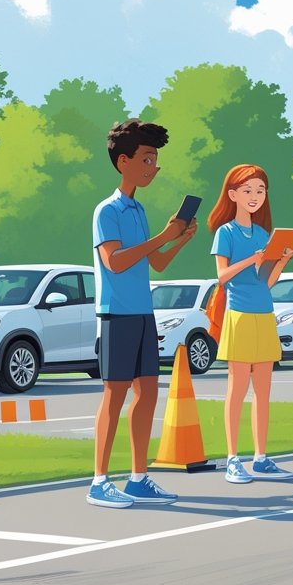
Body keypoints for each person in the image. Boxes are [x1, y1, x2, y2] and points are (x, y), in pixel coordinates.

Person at [89, 119, 197, 509]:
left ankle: (137, 478)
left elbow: (159, 263)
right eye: (147, 159)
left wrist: (179, 239)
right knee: (114, 394)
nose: (154, 167)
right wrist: (163, 237)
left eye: (155, 160)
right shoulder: (108, 211)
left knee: (148, 392)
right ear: (124, 162)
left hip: (143, 313)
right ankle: (99, 481)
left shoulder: (138, 210)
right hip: (116, 313)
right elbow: (114, 262)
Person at [209, 164, 293, 484]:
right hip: (239, 315)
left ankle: (261, 457)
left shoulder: (262, 234)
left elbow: (267, 282)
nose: (255, 196)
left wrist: (281, 260)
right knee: (237, 389)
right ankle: (233, 458)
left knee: (263, 391)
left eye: (260, 191)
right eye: (247, 190)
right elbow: (221, 277)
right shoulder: (226, 233)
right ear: (233, 195)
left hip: (264, 314)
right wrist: (250, 259)